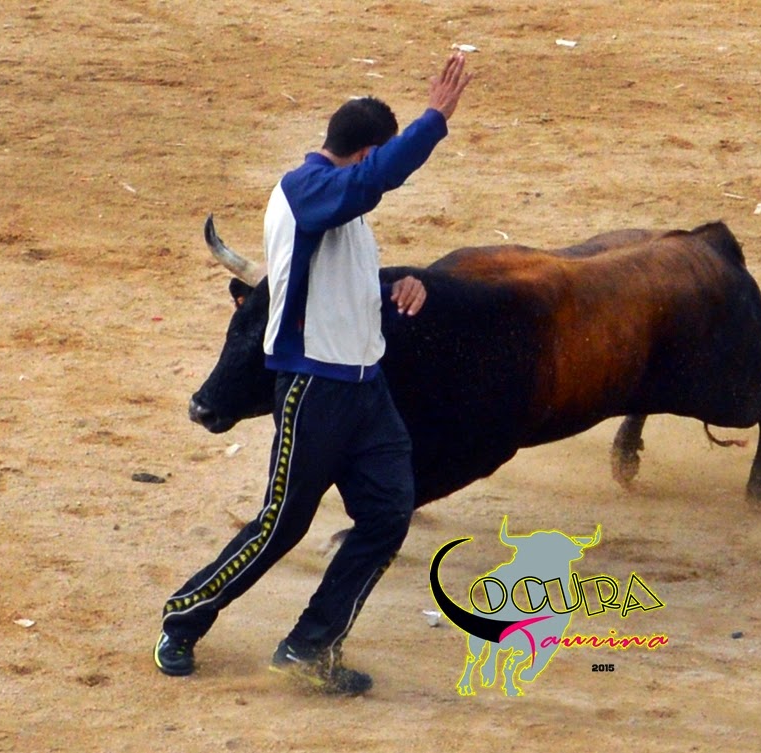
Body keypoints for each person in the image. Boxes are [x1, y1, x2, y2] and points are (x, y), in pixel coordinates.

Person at [154, 53, 473, 695]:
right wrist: (434, 119)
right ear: (365, 154)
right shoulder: (305, 190)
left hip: (366, 388)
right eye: (375, 163)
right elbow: (376, 179)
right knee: (282, 523)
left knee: (388, 514)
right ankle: (182, 619)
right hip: (314, 390)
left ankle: (309, 647)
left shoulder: (335, 203)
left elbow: (335, 282)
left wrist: (395, 288)